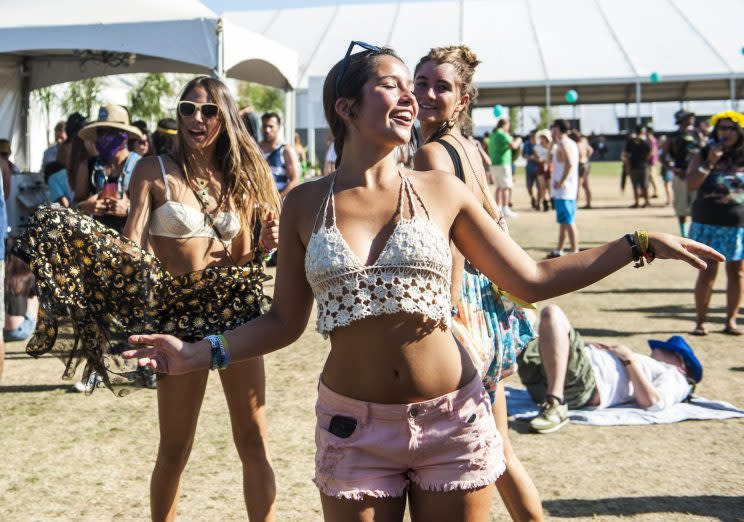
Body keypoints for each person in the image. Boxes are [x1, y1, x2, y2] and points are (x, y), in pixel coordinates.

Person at [123, 42, 722, 522]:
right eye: (392, 84)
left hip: (452, 421)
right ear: (346, 106)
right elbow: (284, 323)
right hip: (353, 430)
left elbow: (533, 279)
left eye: (414, 87)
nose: (411, 97)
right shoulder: (305, 203)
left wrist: (637, 244)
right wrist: (200, 352)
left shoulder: (442, 190)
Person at [14, 76, 282, 521]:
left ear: (226, 119)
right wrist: (80, 232)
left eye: (209, 110)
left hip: (236, 313)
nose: (197, 118)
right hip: (177, 317)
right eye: (188, 108)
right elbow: (133, 243)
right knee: (175, 449)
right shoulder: (152, 169)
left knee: (254, 442)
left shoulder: (241, 179)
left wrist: (265, 245)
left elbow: (242, 258)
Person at [412, 45, 543, 521]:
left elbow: (446, 245)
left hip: (463, 311)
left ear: (462, 99)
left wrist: (445, 320)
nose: (426, 93)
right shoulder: (469, 147)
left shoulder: (430, 154)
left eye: (441, 86)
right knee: (502, 455)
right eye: (420, 82)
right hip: (490, 306)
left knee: (466, 467)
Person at [518, 304, 702, 434]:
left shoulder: (676, 377)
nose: (657, 349)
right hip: (554, 380)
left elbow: (653, 402)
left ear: (681, 363)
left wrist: (628, 359)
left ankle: (555, 402)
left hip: (580, 386)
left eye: (665, 348)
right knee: (520, 307)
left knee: (552, 313)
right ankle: (553, 397)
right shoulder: (655, 366)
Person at [686, 111, 744, 336]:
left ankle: (730, 321)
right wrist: (710, 162)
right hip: (708, 222)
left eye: (730, 128)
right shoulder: (702, 154)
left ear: (739, 132)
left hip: (738, 223)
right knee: (707, 271)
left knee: (737, 273)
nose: (726, 132)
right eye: (722, 128)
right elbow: (691, 184)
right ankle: (700, 322)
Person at [75, 104, 145, 233]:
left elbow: (153, 211)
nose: (105, 137)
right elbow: (73, 206)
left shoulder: (141, 166)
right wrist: (85, 207)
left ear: (125, 135)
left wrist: (128, 210)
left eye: (111, 131)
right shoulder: (88, 166)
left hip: (130, 242)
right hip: (95, 242)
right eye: (101, 132)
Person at [664, 110, 700, 237]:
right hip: (681, 175)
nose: (692, 119)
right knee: (681, 207)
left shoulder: (696, 133)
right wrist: (673, 169)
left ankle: (694, 233)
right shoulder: (672, 136)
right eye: (689, 117)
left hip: (695, 175)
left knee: (697, 205)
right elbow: (663, 157)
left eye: (692, 117)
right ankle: (684, 234)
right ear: (681, 119)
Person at [548, 119, 579, 258]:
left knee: (568, 221)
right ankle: (559, 250)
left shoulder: (564, 143)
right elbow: (549, 158)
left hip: (564, 190)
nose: (551, 130)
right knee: (564, 222)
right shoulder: (567, 142)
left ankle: (575, 251)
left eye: (553, 128)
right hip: (567, 190)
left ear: (558, 129)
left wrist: (561, 182)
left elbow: (570, 163)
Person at [259, 112, 300, 197]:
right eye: (264, 126)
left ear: (279, 127)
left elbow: (295, 180)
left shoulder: (286, 150)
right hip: (256, 202)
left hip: (277, 202)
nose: (267, 130)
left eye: (271, 126)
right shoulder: (254, 149)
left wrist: (278, 199)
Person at [3, 250, 38, 342]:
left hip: (1, 329)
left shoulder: (3, 269)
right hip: (21, 331)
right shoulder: (27, 272)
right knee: (34, 296)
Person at [489, 119, 521, 218]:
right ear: (505, 125)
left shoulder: (493, 134)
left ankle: (497, 208)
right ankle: (505, 208)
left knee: (498, 187)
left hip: (494, 163)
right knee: (506, 187)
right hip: (503, 163)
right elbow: (514, 146)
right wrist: (519, 140)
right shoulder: (502, 134)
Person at [624, 126, 652, 208]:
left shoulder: (631, 141)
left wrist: (627, 166)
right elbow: (651, 152)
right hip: (644, 166)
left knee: (635, 185)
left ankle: (637, 202)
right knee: (645, 185)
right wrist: (646, 160)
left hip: (634, 166)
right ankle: (646, 202)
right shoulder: (645, 141)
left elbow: (627, 155)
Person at [569, 130, 593, 209]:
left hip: (580, 165)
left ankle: (574, 204)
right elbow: (590, 150)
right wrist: (586, 157)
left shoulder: (575, 145)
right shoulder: (583, 143)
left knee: (577, 186)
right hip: (586, 164)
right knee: (586, 185)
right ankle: (588, 203)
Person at [534, 129, 552, 212]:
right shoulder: (537, 147)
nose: (542, 139)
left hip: (550, 167)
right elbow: (536, 157)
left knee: (550, 186)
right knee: (542, 186)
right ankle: (544, 202)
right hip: (541, 167)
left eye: (543, 137)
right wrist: (540, 160)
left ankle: (550, 201)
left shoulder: (552, 146)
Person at [523, 130, 540, 210]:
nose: (532, 138)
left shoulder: (540, 144)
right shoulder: (527, 144)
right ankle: (532, 198)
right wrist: (530, 157)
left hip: (539, 169)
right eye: (531, 137)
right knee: (529, 186)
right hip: (529, 168)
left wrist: (533, 157)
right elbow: (524, 155)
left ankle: (538, 202)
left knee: (540, 187)